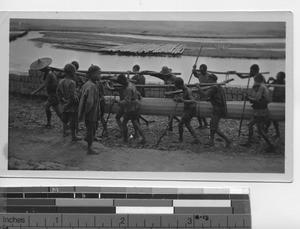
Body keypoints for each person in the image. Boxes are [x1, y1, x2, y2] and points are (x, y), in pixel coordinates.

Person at [196, 74, 231, 148]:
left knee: (214, 127)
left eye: (208, 79)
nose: (207, 80)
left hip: (218, 109)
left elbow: (204, 95)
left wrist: (198, 88)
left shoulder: (214, 87)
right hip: (220, 108)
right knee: (212, 124)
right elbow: (217, 97)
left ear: (211, 80)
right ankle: (211, 141)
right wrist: (210, 99)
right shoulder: (219, 86)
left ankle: (227, 140)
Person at [243, 73, 274, 151]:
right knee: (250, 124)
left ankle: (271, 145)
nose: (254, 82)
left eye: (255, 80)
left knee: (260, 130)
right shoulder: (264, 87)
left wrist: (248, 98)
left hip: (261, 112)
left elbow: (257, 99)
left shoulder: (261, 88)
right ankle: (249, 142)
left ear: (258, 80)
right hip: (260, 111)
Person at [142, 66, 178, 131]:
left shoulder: (174, 78)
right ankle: (171, 125)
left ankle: (170, 126)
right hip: (167, 95)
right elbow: (155, 74)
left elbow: (179, 87)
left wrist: (175, 95)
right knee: (169, 112)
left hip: (173, 96)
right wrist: (145, 71)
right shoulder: (164, 76)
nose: (165, 76)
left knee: (171, 112)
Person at [30, 58, 61, 128]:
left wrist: (35, 91)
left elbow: (44, 85)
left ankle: (65, 125)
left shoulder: (49, 73)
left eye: (40, 69)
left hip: (53, 94)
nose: (40, 70)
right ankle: (50, 123)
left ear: (43, 68)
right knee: (53, 109)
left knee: (51, 109)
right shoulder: (50, 72)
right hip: (52, 94)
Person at [116, 74, 146, 144]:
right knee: (135, 122)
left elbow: (127, 101)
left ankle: (125, 139)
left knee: (124, 123)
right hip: (136, 106)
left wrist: (118, 102)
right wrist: (139, 96)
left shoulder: (128, 89)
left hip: (130, 108)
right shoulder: (131, 84)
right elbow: (137, 93)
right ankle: (143, 137)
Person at [78, 65, 101, 155]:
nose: (100, 76)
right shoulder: (91, 86)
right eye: (99, 74)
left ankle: (88, 139)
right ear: (93, 74)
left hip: (92, 112)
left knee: (93, 127)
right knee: (91, 129)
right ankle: (89, 148)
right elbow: (89, 102)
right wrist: (87, 112)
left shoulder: (88, 83)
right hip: (91, 112)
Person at [56, 63, 81, 141]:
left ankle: (64, 133)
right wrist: (70, 102)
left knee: (65, 120)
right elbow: (73, 96)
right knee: (73, 120)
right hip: (71, 105)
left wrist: (62, 101)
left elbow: (58, 92)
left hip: (63, 104)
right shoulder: (72, 83)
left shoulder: (61, 81)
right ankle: (74, 136)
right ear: (73, 72)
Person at [173, 77, 201, 144]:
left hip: (190, 109)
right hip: (188, 109)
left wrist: (182, 100)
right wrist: (178, 99)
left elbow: (193, 101)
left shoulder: (188, 91)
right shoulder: (184, 90)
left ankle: (180, 139)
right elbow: (185, 99)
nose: (175, 86)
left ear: (179, 85)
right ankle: (197, 139)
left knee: (180, 124)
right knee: (187, 125)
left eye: (176, 85)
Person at [266, 71, 285, 138]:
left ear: (282, 78)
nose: (277, 78)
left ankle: (276, 133)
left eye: (278, 77)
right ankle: (266, 131)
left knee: (274, 119)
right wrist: (268, 80)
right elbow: (266, 87)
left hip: (281, 102)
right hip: (274, 100)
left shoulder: (285, 83)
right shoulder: (275, 82)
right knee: (270, 117)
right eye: (277, 76)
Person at [192, 64, 209, 129]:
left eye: (203, 71)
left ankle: (206, 123)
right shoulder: (200, 74)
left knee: (202, 109)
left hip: (206, 93)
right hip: (200, 92)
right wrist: (194, 68)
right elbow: (194, 73)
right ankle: (200, 124)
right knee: (198, 109)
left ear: (205, 70)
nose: (202, 72)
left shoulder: (209, 76)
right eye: (200, 71)